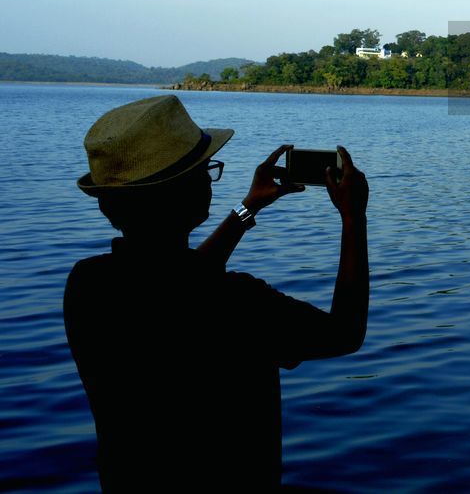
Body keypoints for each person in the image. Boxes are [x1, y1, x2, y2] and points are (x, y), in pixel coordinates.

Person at [63, 95, 369, 491]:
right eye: (205, 170)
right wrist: (353, 217)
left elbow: (179, 284)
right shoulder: (237, 304)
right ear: (187, 193)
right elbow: (345, 333)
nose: (210, 177)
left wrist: (248, 209)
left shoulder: (89, 285)